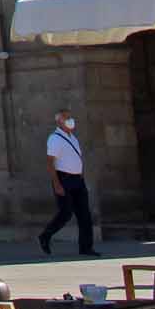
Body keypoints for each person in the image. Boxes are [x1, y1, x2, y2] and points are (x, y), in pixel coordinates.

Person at [38, 108, 99, 258]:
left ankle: (86, 247)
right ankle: (45, 235)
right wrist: (57, 184)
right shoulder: (55, 138)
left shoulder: (73, 138)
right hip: (63, 179)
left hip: (77, 179)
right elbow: (50, 162)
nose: (70, 120)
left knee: (84, 214)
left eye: (70, 117)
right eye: (66, 118)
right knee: (66, 213)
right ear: (59, 121)